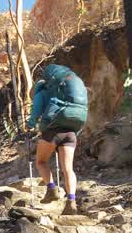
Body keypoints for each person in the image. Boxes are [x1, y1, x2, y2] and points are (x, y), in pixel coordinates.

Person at [26, 64, 88, 214]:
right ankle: (71, 201)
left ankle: (52, 189)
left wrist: (30, 124)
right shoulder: (64, 90)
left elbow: (35, 113)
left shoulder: (42, 92)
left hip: (52, 131)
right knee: (68, 168)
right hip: (71, 132)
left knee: (41, 162)